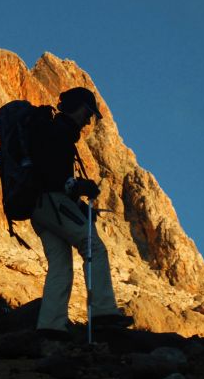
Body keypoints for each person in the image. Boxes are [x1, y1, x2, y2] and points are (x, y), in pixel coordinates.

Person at [28, 87, 132, 339]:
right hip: (51, 202)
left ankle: (50, 328)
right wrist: (77, 187)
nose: (88, 120)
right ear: (78, 107)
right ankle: (103, 314)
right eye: (88, 113)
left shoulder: (51, 131)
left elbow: (46, 173)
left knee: (60, 265)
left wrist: (74, 196)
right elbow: (52, 176)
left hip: (36, 207)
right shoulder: (59, 133)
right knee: (94, 248)